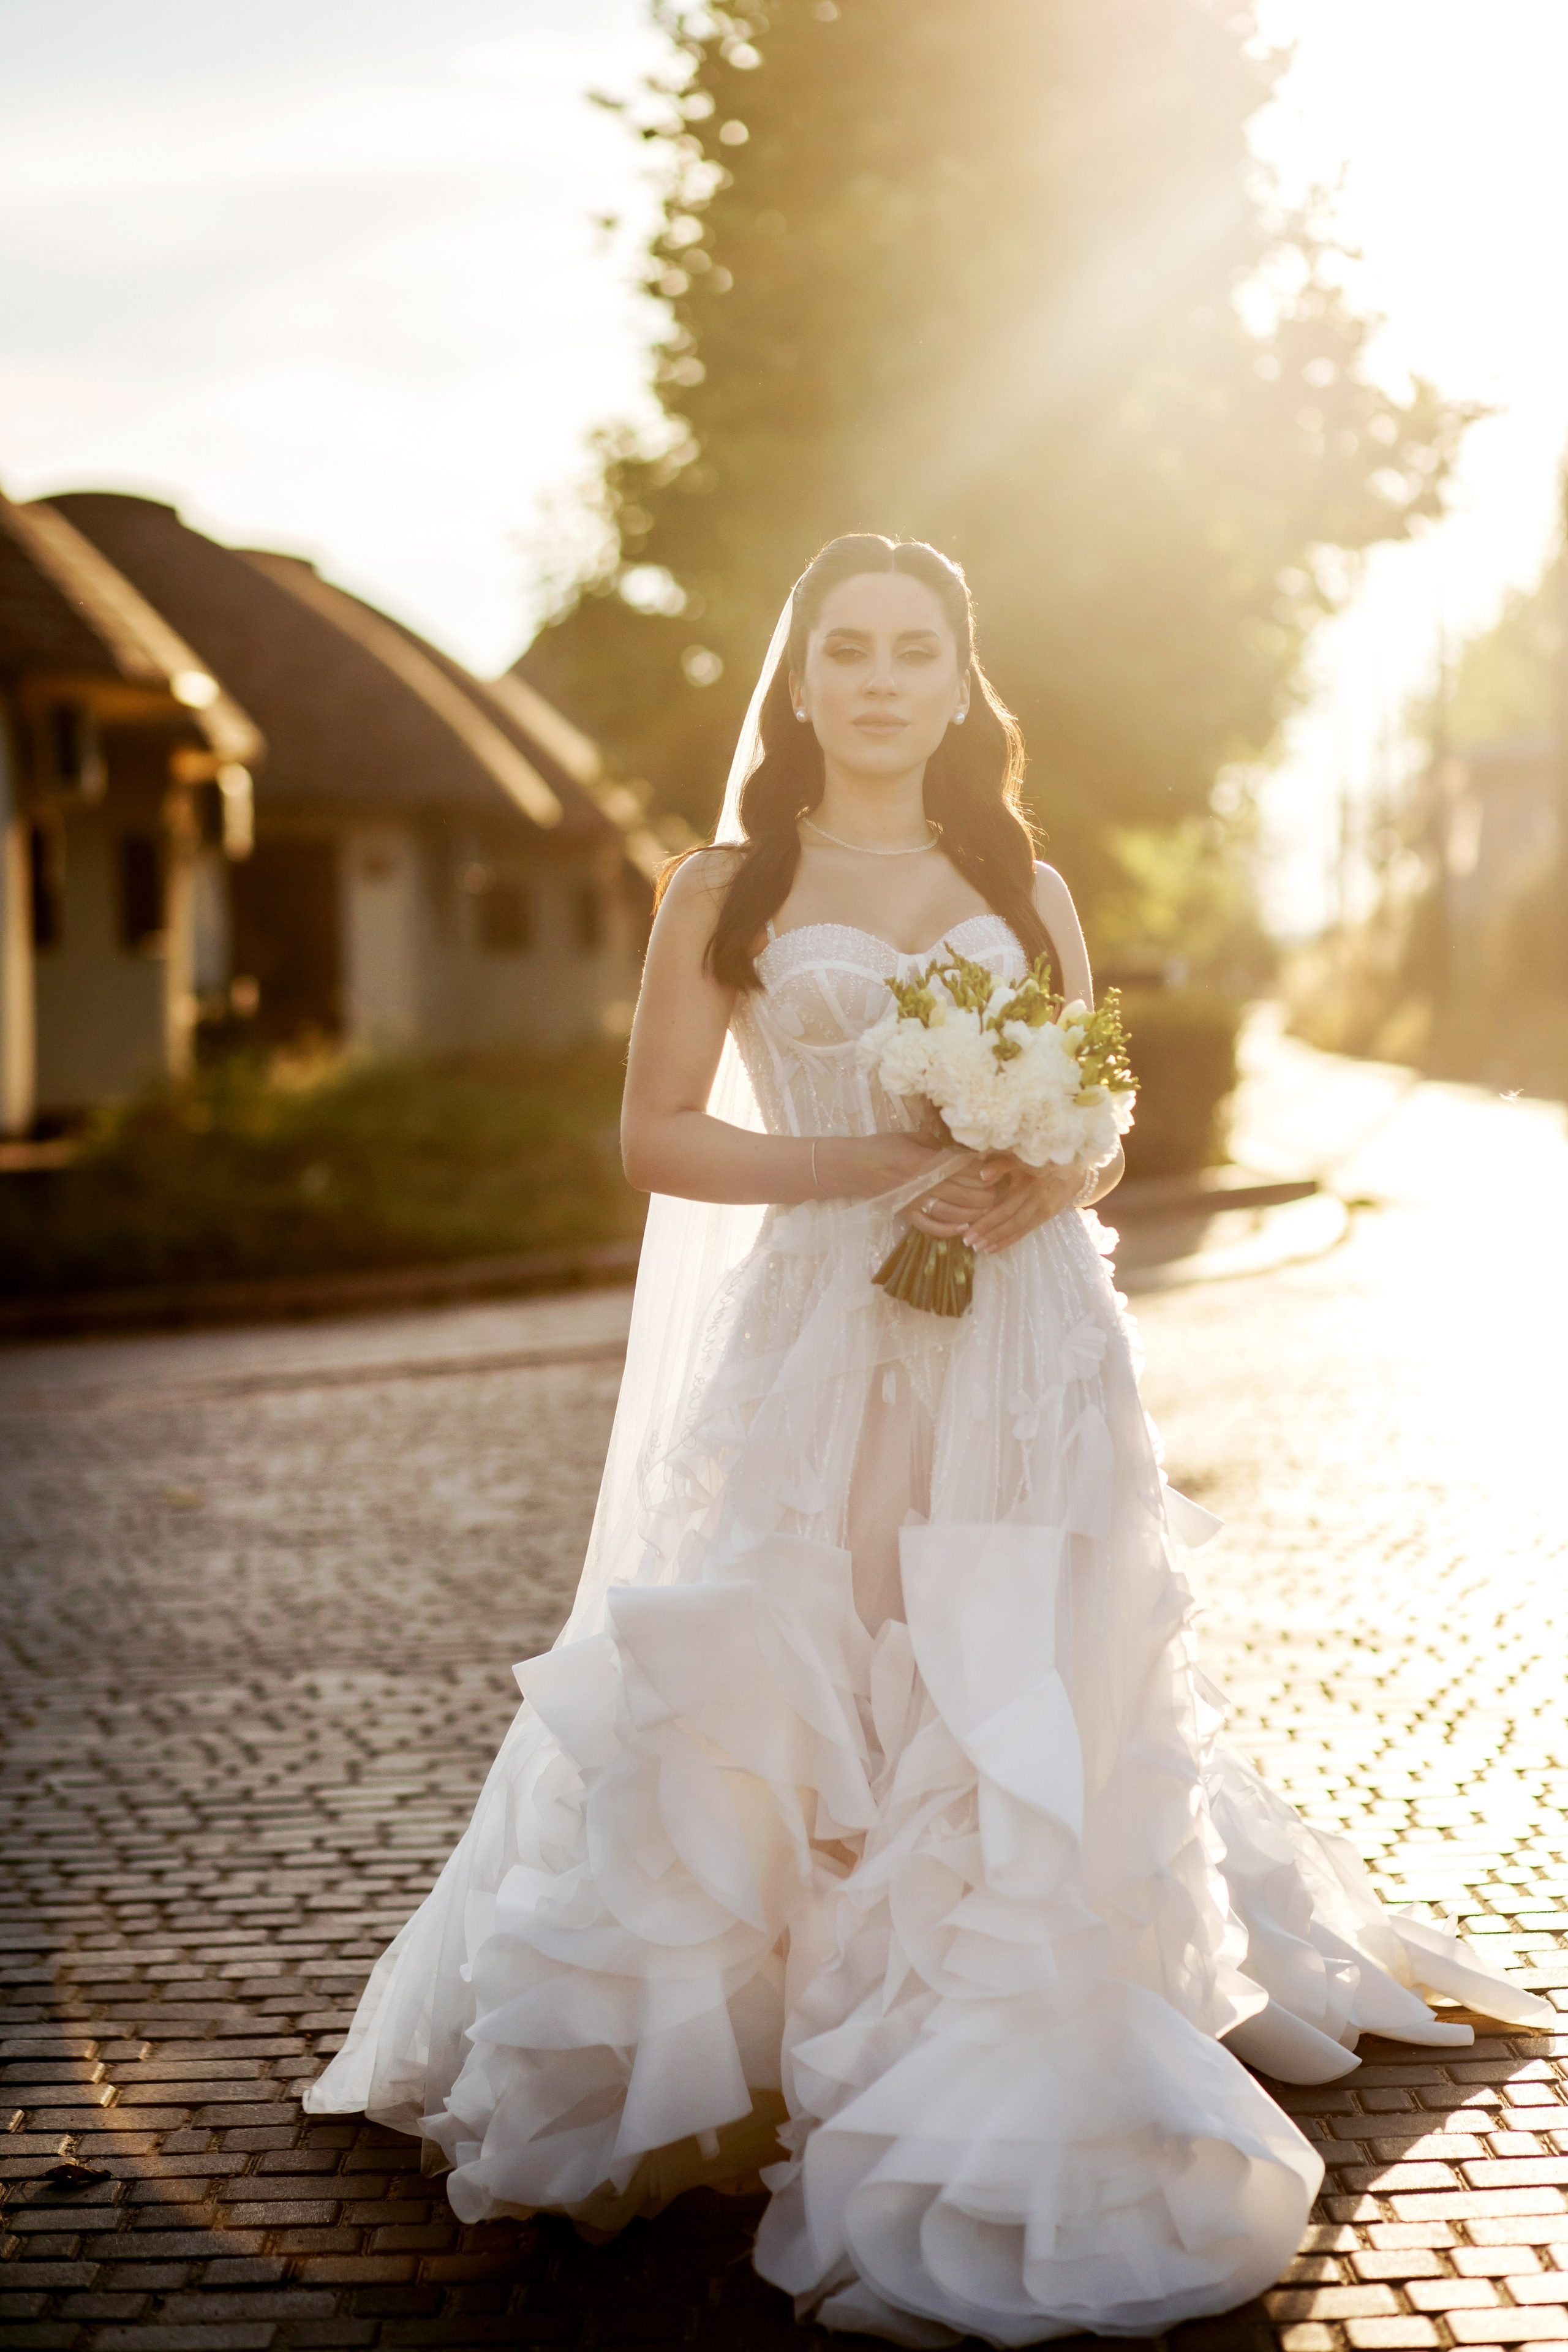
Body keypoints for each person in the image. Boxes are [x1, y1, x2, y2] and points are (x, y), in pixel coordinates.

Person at [306, 535, 1547, 2348]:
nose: (882, 680)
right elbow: (657, 1140)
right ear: (800, 684)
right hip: (820, 1327)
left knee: (1003, 1653)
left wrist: (1048, 1166)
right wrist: (869, 1162)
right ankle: (793, 2003)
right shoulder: (719, 889)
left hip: (1022, 1332)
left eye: (915, 651)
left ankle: (994, 1965)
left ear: (962, 685)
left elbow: (1103, 1118)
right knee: (816, 1640)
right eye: (849, 651)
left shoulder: (1014, 878)